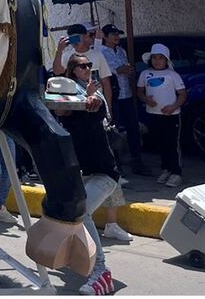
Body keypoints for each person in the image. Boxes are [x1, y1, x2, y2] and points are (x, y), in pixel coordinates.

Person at [55, 54, 121, 295]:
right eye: (83, 66)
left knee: (81, 211)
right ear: (72, 71)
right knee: (66, 214)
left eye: (89, 65)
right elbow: (60, 107)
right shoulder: (68, 103)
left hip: (105, 174)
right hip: (84, 173)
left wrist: (92, 96)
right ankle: (80, 258)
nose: (88, 69)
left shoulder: (93, 97)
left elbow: (94, 103)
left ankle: (101, 271)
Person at [98, 24, 148, 176]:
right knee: (112, 129)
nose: (117, 37)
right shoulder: (100, 52)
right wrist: (119, 70)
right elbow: (104, 73)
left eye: (117, 34)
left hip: (126, 93)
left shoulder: (121, 51)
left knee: (133, 128)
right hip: (113, 95)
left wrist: (128, 71)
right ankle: (116, 164)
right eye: (113, 34)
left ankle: (137, 161)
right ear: (105, 36)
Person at [136, 43, 187, 188]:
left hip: (171, 115)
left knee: (172, 143)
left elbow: (182, 94)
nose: (157, 61)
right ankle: (166, 169)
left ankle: (176, 172)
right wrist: (146, 99)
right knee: (161, 143)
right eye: (154, 58)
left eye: (160, 58)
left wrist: (173, 107)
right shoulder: (145, 74)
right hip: (153, 114)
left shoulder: (173, 75)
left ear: (166, 60)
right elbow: (140, 92)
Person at [53, 23, 114, 112]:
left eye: (77, 38)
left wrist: (109, 107)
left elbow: (106, 82)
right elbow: (57, 71)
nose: (75, 42)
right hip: (76, 104)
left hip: (96, 103)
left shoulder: (98, 55)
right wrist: (59, 51)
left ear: (85, 36)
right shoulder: (67, 56)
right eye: (72, 39)